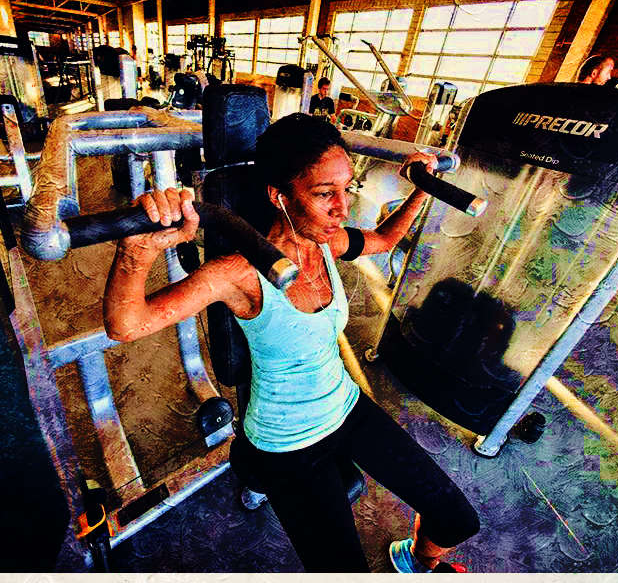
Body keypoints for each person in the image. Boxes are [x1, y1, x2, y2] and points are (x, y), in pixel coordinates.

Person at [102, 113, 480, 573]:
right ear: (279, 196)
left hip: (346, 405)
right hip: (286, 442)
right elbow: (126, 325)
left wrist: (422, 185)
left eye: (347, 189)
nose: (343, 209)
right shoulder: (238, 274)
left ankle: (417, 561)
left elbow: (384, 238)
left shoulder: (326, 243)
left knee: (458, 520)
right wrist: (137, 249)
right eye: (324, 194)